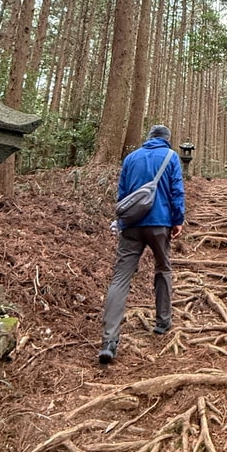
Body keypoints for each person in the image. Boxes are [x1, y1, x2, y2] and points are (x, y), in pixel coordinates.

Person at [98, 124, 185, 363]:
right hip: (160, 223)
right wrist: (178, 220)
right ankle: (163, 322)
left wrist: (123, 221)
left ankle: (109, 340)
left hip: (132, 225)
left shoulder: (131, 158)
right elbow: (176, 191)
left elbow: (122, 194)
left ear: (148, 138)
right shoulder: (171, 156)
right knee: (163, 268)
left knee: (120, 278)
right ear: (167, 139)